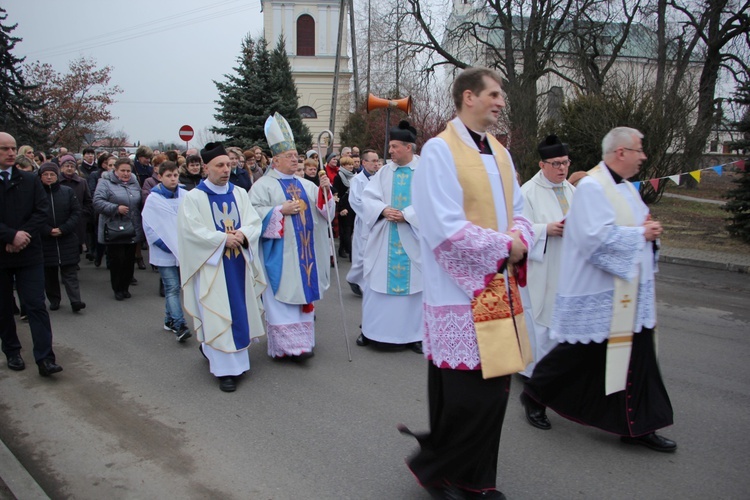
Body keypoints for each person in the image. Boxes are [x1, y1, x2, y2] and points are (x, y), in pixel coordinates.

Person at [401, 67, 533, 499]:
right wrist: (503, 247)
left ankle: (466, 477)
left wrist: (520, 239)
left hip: (496, 284)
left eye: (501, 96)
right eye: (493, 94)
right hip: (459, 292)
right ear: (468, 97)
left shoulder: (500, 151)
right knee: (465, 396)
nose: (500, 102)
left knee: (492, 393)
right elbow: (442, 226)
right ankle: (449, 473)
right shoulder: (440, 150)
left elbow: (522, 209)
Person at [521, 127, 676, 452]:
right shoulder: (593, 186)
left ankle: (637, 426)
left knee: (639, 357)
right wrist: (640, 236)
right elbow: (594, 238)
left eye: (566, 162)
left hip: (629, 291)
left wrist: (650, 231)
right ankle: (535, 393)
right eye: (639, 150)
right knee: (575, 354)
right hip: (598, 290)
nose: (644, 157)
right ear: (621, 152)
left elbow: (630, 227)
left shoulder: (625, 189)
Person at [177, 142, 265, 392]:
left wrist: (243, 234)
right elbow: (190, 232)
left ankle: (238, 360)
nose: (226, 169)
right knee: (217, 313)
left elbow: (253, 221)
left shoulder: (239, 193)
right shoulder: (194, 198)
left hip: (238, 263)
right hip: (212, 267)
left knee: (239, 310)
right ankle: (224, 370)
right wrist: (221, 239)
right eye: (220, 165)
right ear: (206, 167)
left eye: (228, 164)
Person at [249, 113, 335, 360]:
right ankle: (287, 348)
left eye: (296, 155)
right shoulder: (263, 186)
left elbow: (325, 214)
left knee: (302, 302)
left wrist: (325, 192)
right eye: (289, 156)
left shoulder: (307, 184)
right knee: (283, 301)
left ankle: (304, 343)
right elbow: (252, 216)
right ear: (275, 160)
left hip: (306, 257)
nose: (295, 159)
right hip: (282, 257)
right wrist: (279, 211)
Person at [0, 132, 63, 376]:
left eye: (13, 147)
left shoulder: (29, 180)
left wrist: (22, 235)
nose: (10, 152)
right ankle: (12, 350)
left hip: (29, 252)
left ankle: (45, 358)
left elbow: (42, 210)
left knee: (36, 304)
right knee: (4, 307)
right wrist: (8, 236)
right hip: (2, 254)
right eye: (4, 148)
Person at [358, 121, 423, 353]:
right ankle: (371, 331)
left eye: (395, 146)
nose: (390, 151)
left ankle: (414, 335)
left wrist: (408, 215)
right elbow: (367, 199)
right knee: (377, 282)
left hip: (413, 238)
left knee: (415, 287)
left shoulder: (425, 171)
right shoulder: (384, 172)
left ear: (408, 147)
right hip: (385, 237)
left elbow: (434, 203)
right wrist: (383, 210)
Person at [518, 135, 575, 378]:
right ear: (542, 165)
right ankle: (532, 372)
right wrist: (545, 230)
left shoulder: (572, 190)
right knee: (538, 321)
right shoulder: (527, 192)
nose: (562, 168)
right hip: (541, 268)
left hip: (567, 265)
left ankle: (557, 372)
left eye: (565, 162)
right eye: (556, 164)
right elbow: (517, 229)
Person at [143, 161, 191, 342]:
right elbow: (149, 225)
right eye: (169, 176)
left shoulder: (186, 196)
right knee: (172, 287)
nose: (173, 179)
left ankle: (168, 319)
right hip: (164, 251)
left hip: (183, 249)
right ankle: (180, 325)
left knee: (176, 287)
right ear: (160, 177)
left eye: (175, 175)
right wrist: (167, 244)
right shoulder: (153, 199)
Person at [94, 157, 144, 300]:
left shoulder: (134, 182)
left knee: (129, 260)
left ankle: (126, 287)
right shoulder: (104, 182)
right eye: (122, 170)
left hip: (132, 227)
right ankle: (117, 288)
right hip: (114, 227)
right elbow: (97, 202)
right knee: (117, 260)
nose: (126, 173)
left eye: (128, 171)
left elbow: (140, 200)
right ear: (115, 170)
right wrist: (116, 208)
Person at [39, 163, 85, 312]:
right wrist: (47, 230)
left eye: (52, 174)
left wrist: (63, 229)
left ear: (57, 176)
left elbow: (76, 212)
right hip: (46, 240)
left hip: (67, 238)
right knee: (50, 274)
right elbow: (33, 215)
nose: (49, 177)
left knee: (70, 273)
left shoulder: (67, 192)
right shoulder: (37, 193)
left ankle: (75, 301)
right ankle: (54, 299)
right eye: (45, 175)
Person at [345, 149, 381, 297]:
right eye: (373, 161)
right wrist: (374, 212)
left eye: (377, 161)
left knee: (373, 255)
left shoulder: (380, 178)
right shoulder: (357, 180)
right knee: (361, 255)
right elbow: (355, 201)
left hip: (379, 221)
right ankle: (353, 279)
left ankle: (368, 287)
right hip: (365, 221)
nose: (376, 164)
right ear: (364, 162)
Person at [58, 154, 93, 257]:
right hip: (61, 219)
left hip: (78, 219)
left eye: (72, 166)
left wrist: (83, 214)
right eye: (67, 166)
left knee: (76, 244)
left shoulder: (82, 182)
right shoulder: (57, 182)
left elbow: (88, 200)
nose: (69, 168)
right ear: (61, 168)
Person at [333, 156, 356, 259]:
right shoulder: (338, 177)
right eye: (348, 164)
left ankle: (342, 248)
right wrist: (340, 208)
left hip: (353, 206)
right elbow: (337, 193)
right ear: (343, 165)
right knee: (345, 231)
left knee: (350, 230)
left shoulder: (355, 176)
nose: (351, 166)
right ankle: (351, 253)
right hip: (344, 206)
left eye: (352, 164)